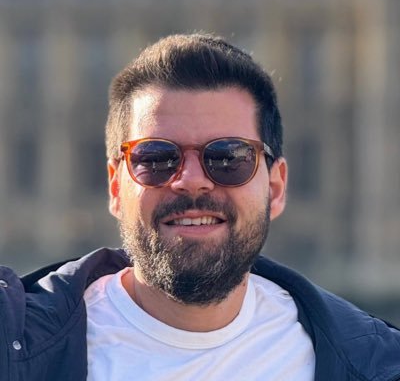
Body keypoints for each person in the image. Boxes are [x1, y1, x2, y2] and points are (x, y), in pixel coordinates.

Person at [1, 33, 399, 381]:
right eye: (156, 158)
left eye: (228, 158)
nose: (191, 180)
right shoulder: (13, 344)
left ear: (276, 187)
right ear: (116, 187)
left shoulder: (376, 363)